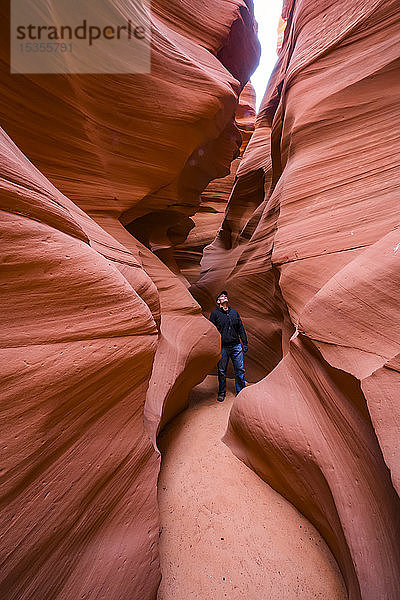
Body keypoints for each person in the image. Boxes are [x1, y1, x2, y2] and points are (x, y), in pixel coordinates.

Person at [209, 290, 248, 402]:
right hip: (223, 347)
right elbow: (211, 330)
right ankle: (222, 393)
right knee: (221, 371)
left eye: (225, 295)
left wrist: (244, 343)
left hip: (236, 346)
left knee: (240, 369)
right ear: (218, 301)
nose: (224, 296)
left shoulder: (234, 313)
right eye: (222, 296)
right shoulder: (215, 314)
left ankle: (240, 391)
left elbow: (241, 328)